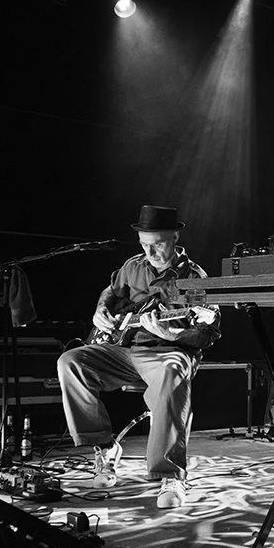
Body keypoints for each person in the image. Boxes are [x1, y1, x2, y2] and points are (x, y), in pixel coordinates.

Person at [57, 205, 221, 508]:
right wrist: (100, 311)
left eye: (157, 244)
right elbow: (110, 290)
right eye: (145, 245)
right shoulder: (132, 266)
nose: (151, 252)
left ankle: (170, 473)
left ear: (174, 237)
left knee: (172, 372)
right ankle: (104, 448)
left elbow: (206, 333)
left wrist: (171, 335)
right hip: (126, 350)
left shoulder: (194, 277)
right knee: (71, 362)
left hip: (169, 353)